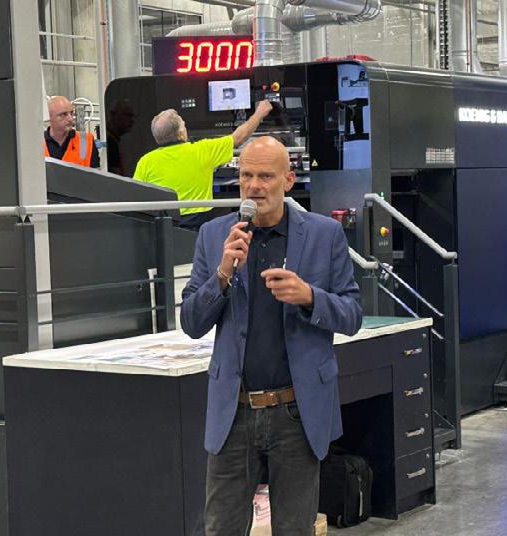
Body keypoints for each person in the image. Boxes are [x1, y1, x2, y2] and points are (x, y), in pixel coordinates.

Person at [180, 137, 362, 536]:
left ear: (288, 180)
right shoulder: (214, 235)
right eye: (246, 176)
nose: (254, 186)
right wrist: (222, 274)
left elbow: (352, 315)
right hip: (234, 411)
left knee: (294, 528)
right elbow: (191, 323)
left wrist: (309, 297)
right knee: (220, 528)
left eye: (265, 176)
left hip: (296, 411)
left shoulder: (325, 234)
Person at [133, 100, 274, 231]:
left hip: (162, 229)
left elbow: (136, 194)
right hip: (197, 227)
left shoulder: (145, 161)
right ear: (181, 133)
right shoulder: (203, 150)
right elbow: (238, 138)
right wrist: (260, 113)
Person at [43, 95, 100, 168]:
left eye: (71, 113)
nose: (70, 119)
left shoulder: (85, 141)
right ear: (49, 117)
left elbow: (95, 173)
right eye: (63, 114)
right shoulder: (38, 144)